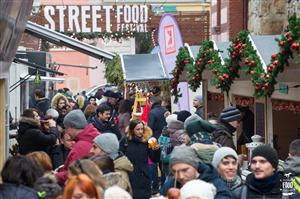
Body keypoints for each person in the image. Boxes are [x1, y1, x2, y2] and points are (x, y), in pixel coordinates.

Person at [160, 145, 231, 198]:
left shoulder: (216, 184)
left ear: (195, 166)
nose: (180, 176)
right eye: (175, 171)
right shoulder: (170, 186)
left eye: (185, 170)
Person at [55, 110, 99, 185]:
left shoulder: (81, 147)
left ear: (72, 127)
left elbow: (73, 173)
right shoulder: (94, 135)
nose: (66, 132)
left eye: (66, 128)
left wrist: (56, 176)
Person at [120, 120, 160, 199]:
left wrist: (156, 150)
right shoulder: (125, 141)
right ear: (132, 130)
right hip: (130, 174)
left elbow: (155, 159)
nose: (140, 132)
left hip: (144, 175)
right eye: (138, 129)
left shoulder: (147, 141)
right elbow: (120, 156)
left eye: (142, 129)